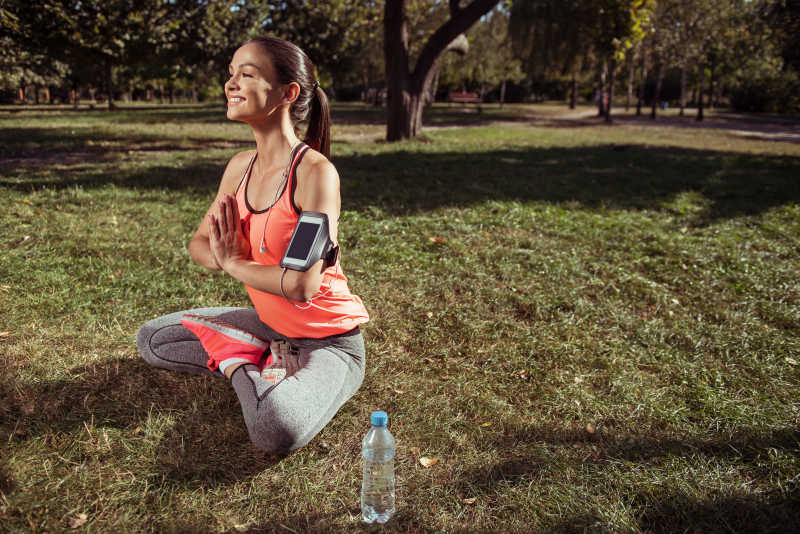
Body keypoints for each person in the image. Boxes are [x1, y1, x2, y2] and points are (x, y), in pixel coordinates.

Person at [136, 36, 369, 455]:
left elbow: (301, 285)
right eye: (231, 74)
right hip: (270, 326)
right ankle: (255, 358)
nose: (230, 84)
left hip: (329, 342)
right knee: (154, 339)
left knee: (274, 427)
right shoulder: (239, 167)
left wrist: (235, 263)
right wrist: (226, 257)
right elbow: (199, 244)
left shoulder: (315, 174)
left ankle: (245, 362)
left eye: (247, 74)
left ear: (287, 93)